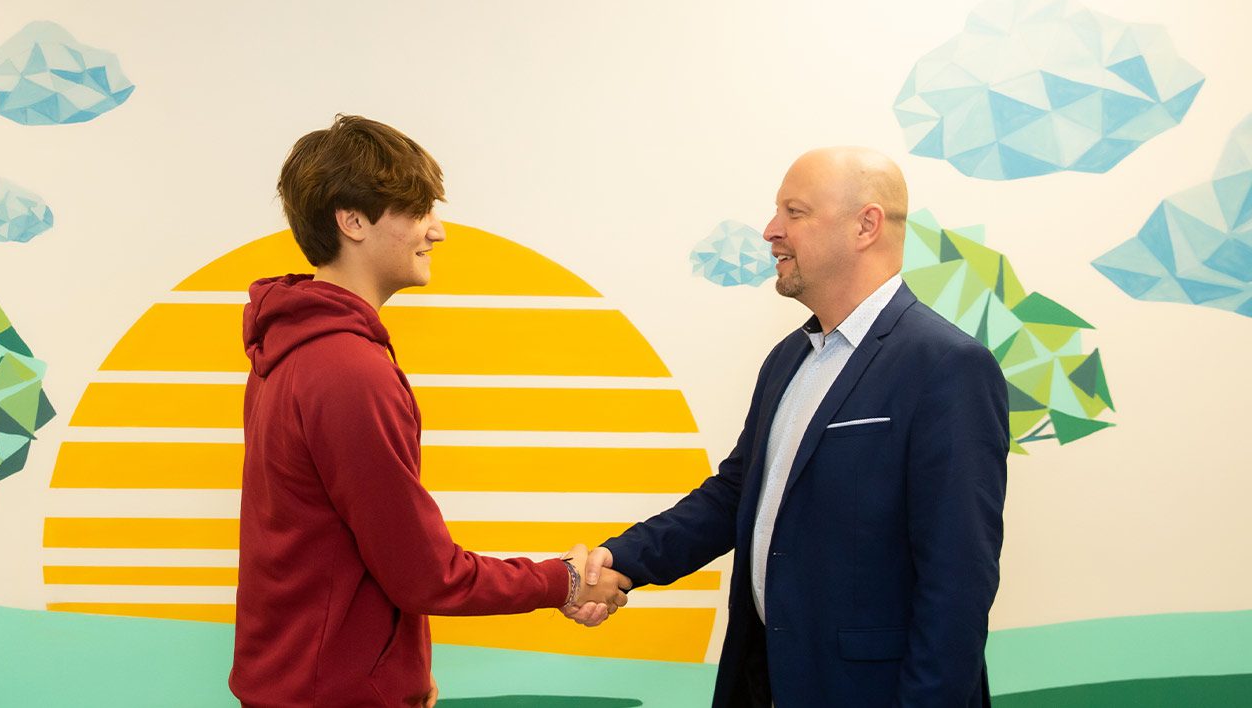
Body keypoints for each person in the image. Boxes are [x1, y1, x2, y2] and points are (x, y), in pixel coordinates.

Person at [577, 147, 1009, 707]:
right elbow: (735, 496)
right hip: (768, 684)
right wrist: (623, 560)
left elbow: (958, 584)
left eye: (795, 212)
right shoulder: (789, 359)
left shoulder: (947, 366)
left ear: (866, 225)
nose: (770, 231)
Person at [231, 115, 629, 707]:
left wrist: (403, 669)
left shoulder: (294, 350)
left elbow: (341, 546)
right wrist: (565, 580)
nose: (436, 232)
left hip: (308, 685)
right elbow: (424, 573)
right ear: (353, 221)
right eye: (418, 212)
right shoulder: (347, 370)